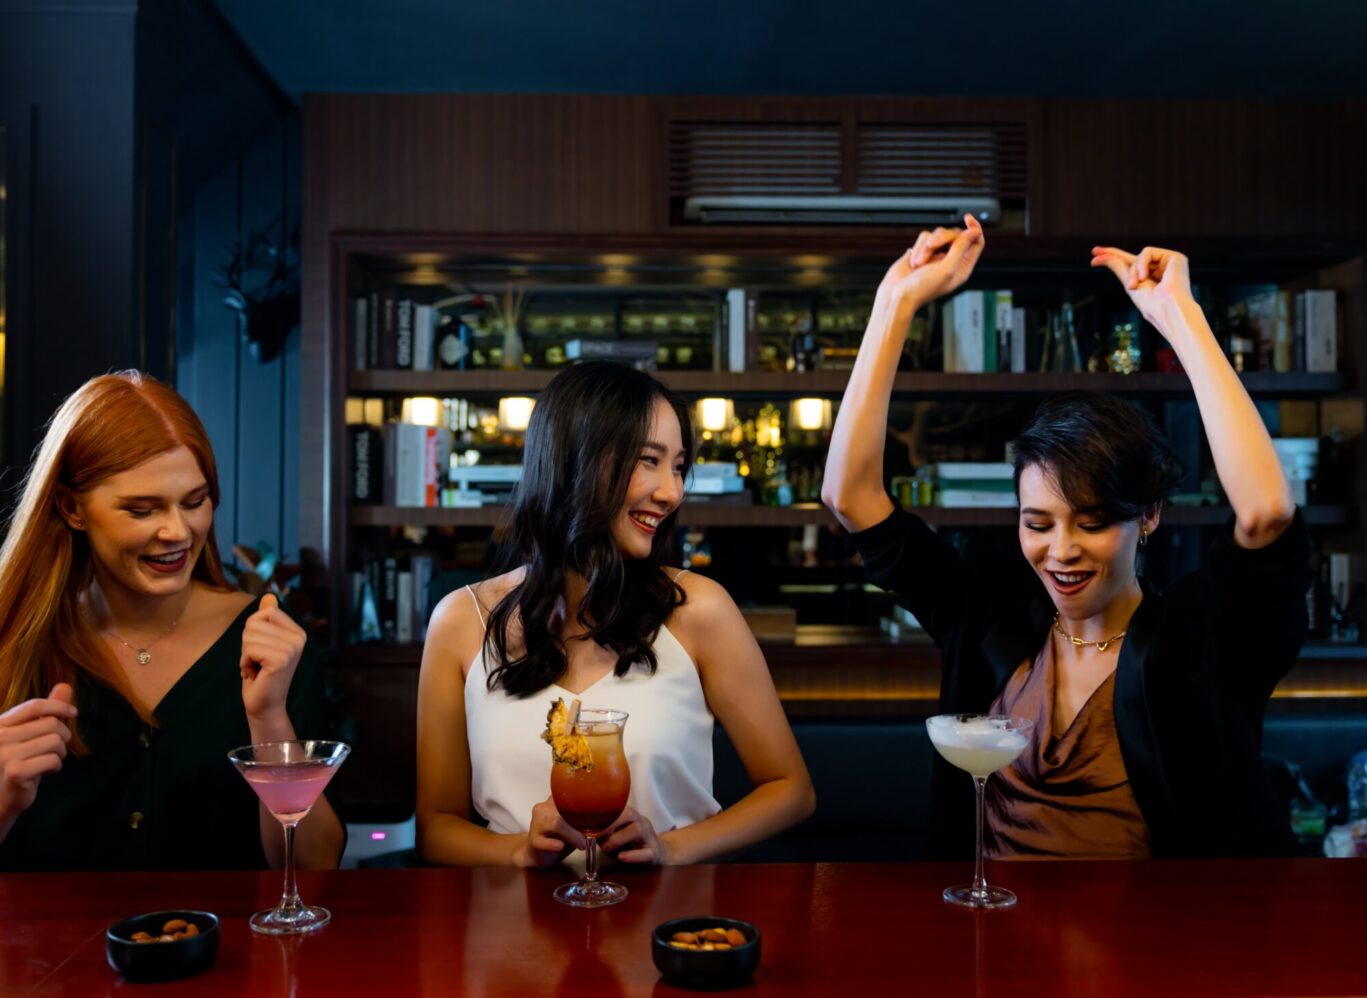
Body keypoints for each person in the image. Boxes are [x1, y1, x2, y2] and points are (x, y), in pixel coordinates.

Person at [822, 219, 1309, 859]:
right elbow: (849, 497)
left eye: (1093, 521)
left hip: (1159, 952)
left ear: (1150, 515)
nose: (1061, 551)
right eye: (1037, 523)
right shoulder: (988, 621)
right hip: (990, 945)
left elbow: (1268, 511)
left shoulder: (1200, 640)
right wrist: (895, 303)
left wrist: (1181, 319)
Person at [417, 361, 815, 866]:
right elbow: (435, 829)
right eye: (649, 460)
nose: (672, 492)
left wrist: (668, 848)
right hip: (512, 932)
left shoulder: (700, 610)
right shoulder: (461, 621)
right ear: (575, 461)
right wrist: (518, 852)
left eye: (678, 466)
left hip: (669, 928)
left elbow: (791, 789)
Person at [0, 371, 343, 870]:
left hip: (226, 948)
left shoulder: (271, 641)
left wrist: (269, 719)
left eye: (194, 502)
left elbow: (315, 872)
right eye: (142, 510)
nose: (178, 531)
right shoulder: (14, 639)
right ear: (72, 507)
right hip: (51, 950)